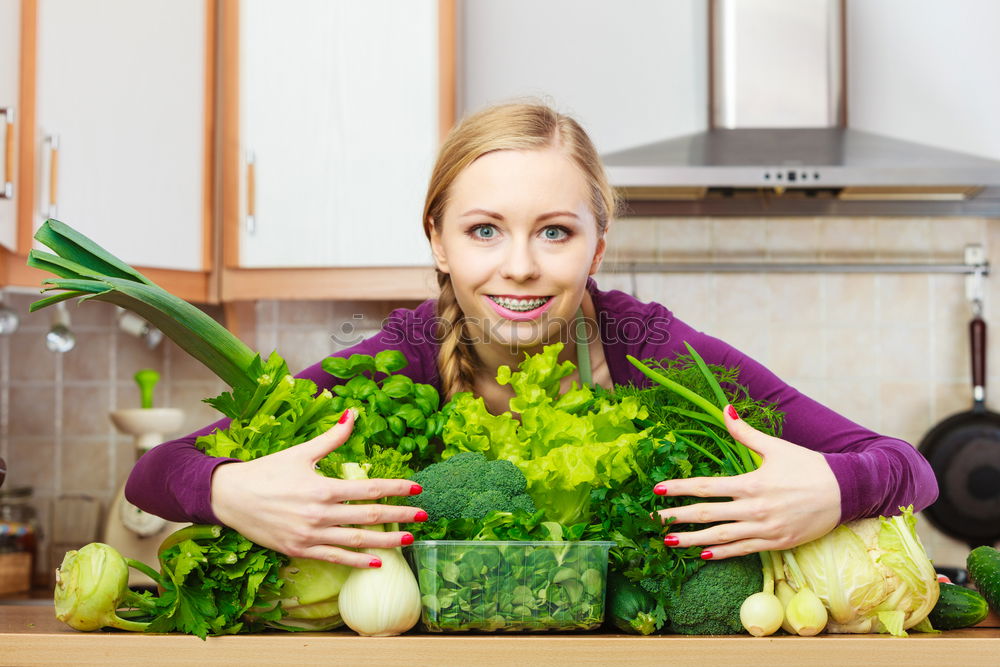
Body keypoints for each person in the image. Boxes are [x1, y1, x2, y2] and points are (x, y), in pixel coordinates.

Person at [126, 102, 938, 568]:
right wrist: (230, 490)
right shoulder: (404, 354)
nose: (519, 267)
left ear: (598, 243)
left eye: (554, 232)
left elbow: (909, 467)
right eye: (485, 231)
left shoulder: (646, 346)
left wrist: (836, 488)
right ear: (437, 239)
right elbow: (159, 472)